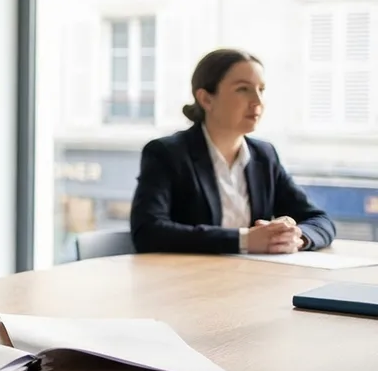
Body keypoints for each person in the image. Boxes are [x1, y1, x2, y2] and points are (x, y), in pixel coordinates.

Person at [130, 48, 336, 255]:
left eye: (261, 90)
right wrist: (245, 240)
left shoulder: (264, 155)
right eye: (243, 89)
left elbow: (320, 220)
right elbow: (148, 232)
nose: (257, 101)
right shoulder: (167, 153)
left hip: (251, 278)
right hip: (189, 280)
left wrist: (293, 237)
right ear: (206, 99)